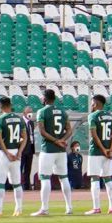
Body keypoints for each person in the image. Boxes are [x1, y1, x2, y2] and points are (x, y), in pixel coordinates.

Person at [33, 88, 74, 216]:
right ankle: (69, 207)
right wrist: (62, 140)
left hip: (48, 149)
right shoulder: (63, 112)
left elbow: (42, 131)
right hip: (61, 150)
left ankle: (44, 208)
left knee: (45, 177)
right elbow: (69, 130)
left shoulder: (41, 112)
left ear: (44, 99)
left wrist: (56, 141)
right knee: (64, 178)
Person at [0, 95, 29, 216]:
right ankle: (19, 209)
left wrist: (6, 152)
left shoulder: (0, 119)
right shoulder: (19, 119)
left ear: (0, 106)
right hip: (16, 153)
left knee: (0, 182)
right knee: (16, 182)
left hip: (4, 153)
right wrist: (19, 152)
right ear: (10, 105)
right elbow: (25, 137)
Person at [84, 93, 112, 215]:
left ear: (96, 103)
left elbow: (94, 135)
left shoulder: (92, 116)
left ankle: (96, 208)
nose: (91, 105)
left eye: (92, 103)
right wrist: (110, 149)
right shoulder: (110, 116)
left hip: (96, 152)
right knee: (108, 179)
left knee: (95, 178)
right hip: (108, 152)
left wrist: (103, 149)